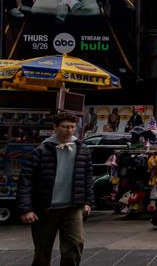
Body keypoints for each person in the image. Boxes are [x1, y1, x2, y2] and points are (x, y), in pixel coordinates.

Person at [17, 113, 93, 266]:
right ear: (55, 127)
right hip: (45, 208)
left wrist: (87, 202)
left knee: (74, 246)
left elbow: (87, 177)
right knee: (42, 250)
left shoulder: (81, 149)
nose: (69, 130)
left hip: (72, 207)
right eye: (65, 127)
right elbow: (26, 180)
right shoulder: (41, 150)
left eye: (72, 127)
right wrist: (26, 209)